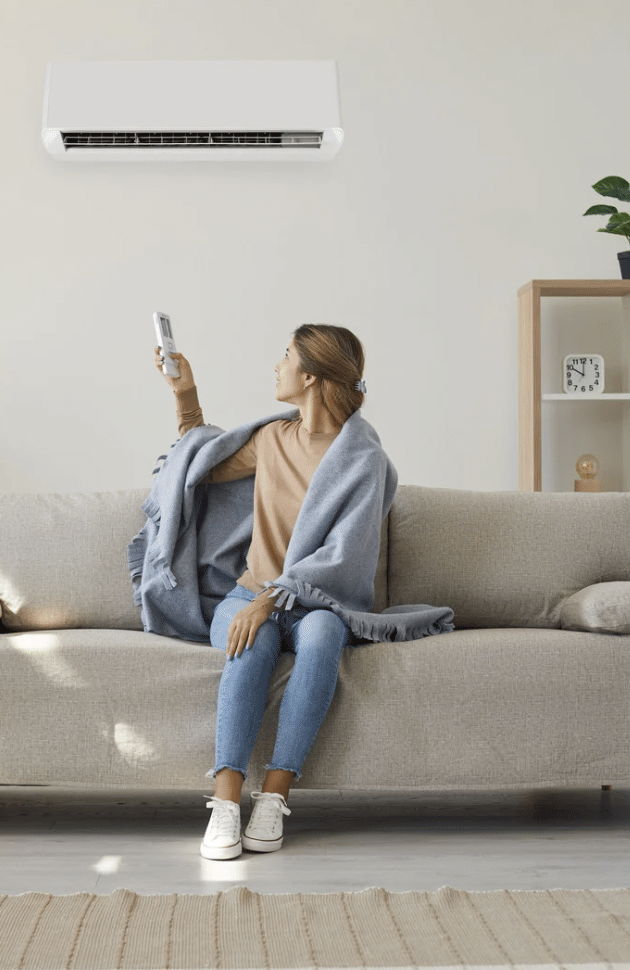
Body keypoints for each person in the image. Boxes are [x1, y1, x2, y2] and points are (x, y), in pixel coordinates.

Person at [144, 324, 453, 860]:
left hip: (320, 602)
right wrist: (184, 394)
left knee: (322, 636)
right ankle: (225, 803)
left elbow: (344, 558)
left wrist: (272, 599)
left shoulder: (364, 460)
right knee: (254, 640)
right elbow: (197, 463)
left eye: (284, 355)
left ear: (309, 377)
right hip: (247, 596)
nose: (276, 365)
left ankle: (275, 799)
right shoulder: (271, 441)